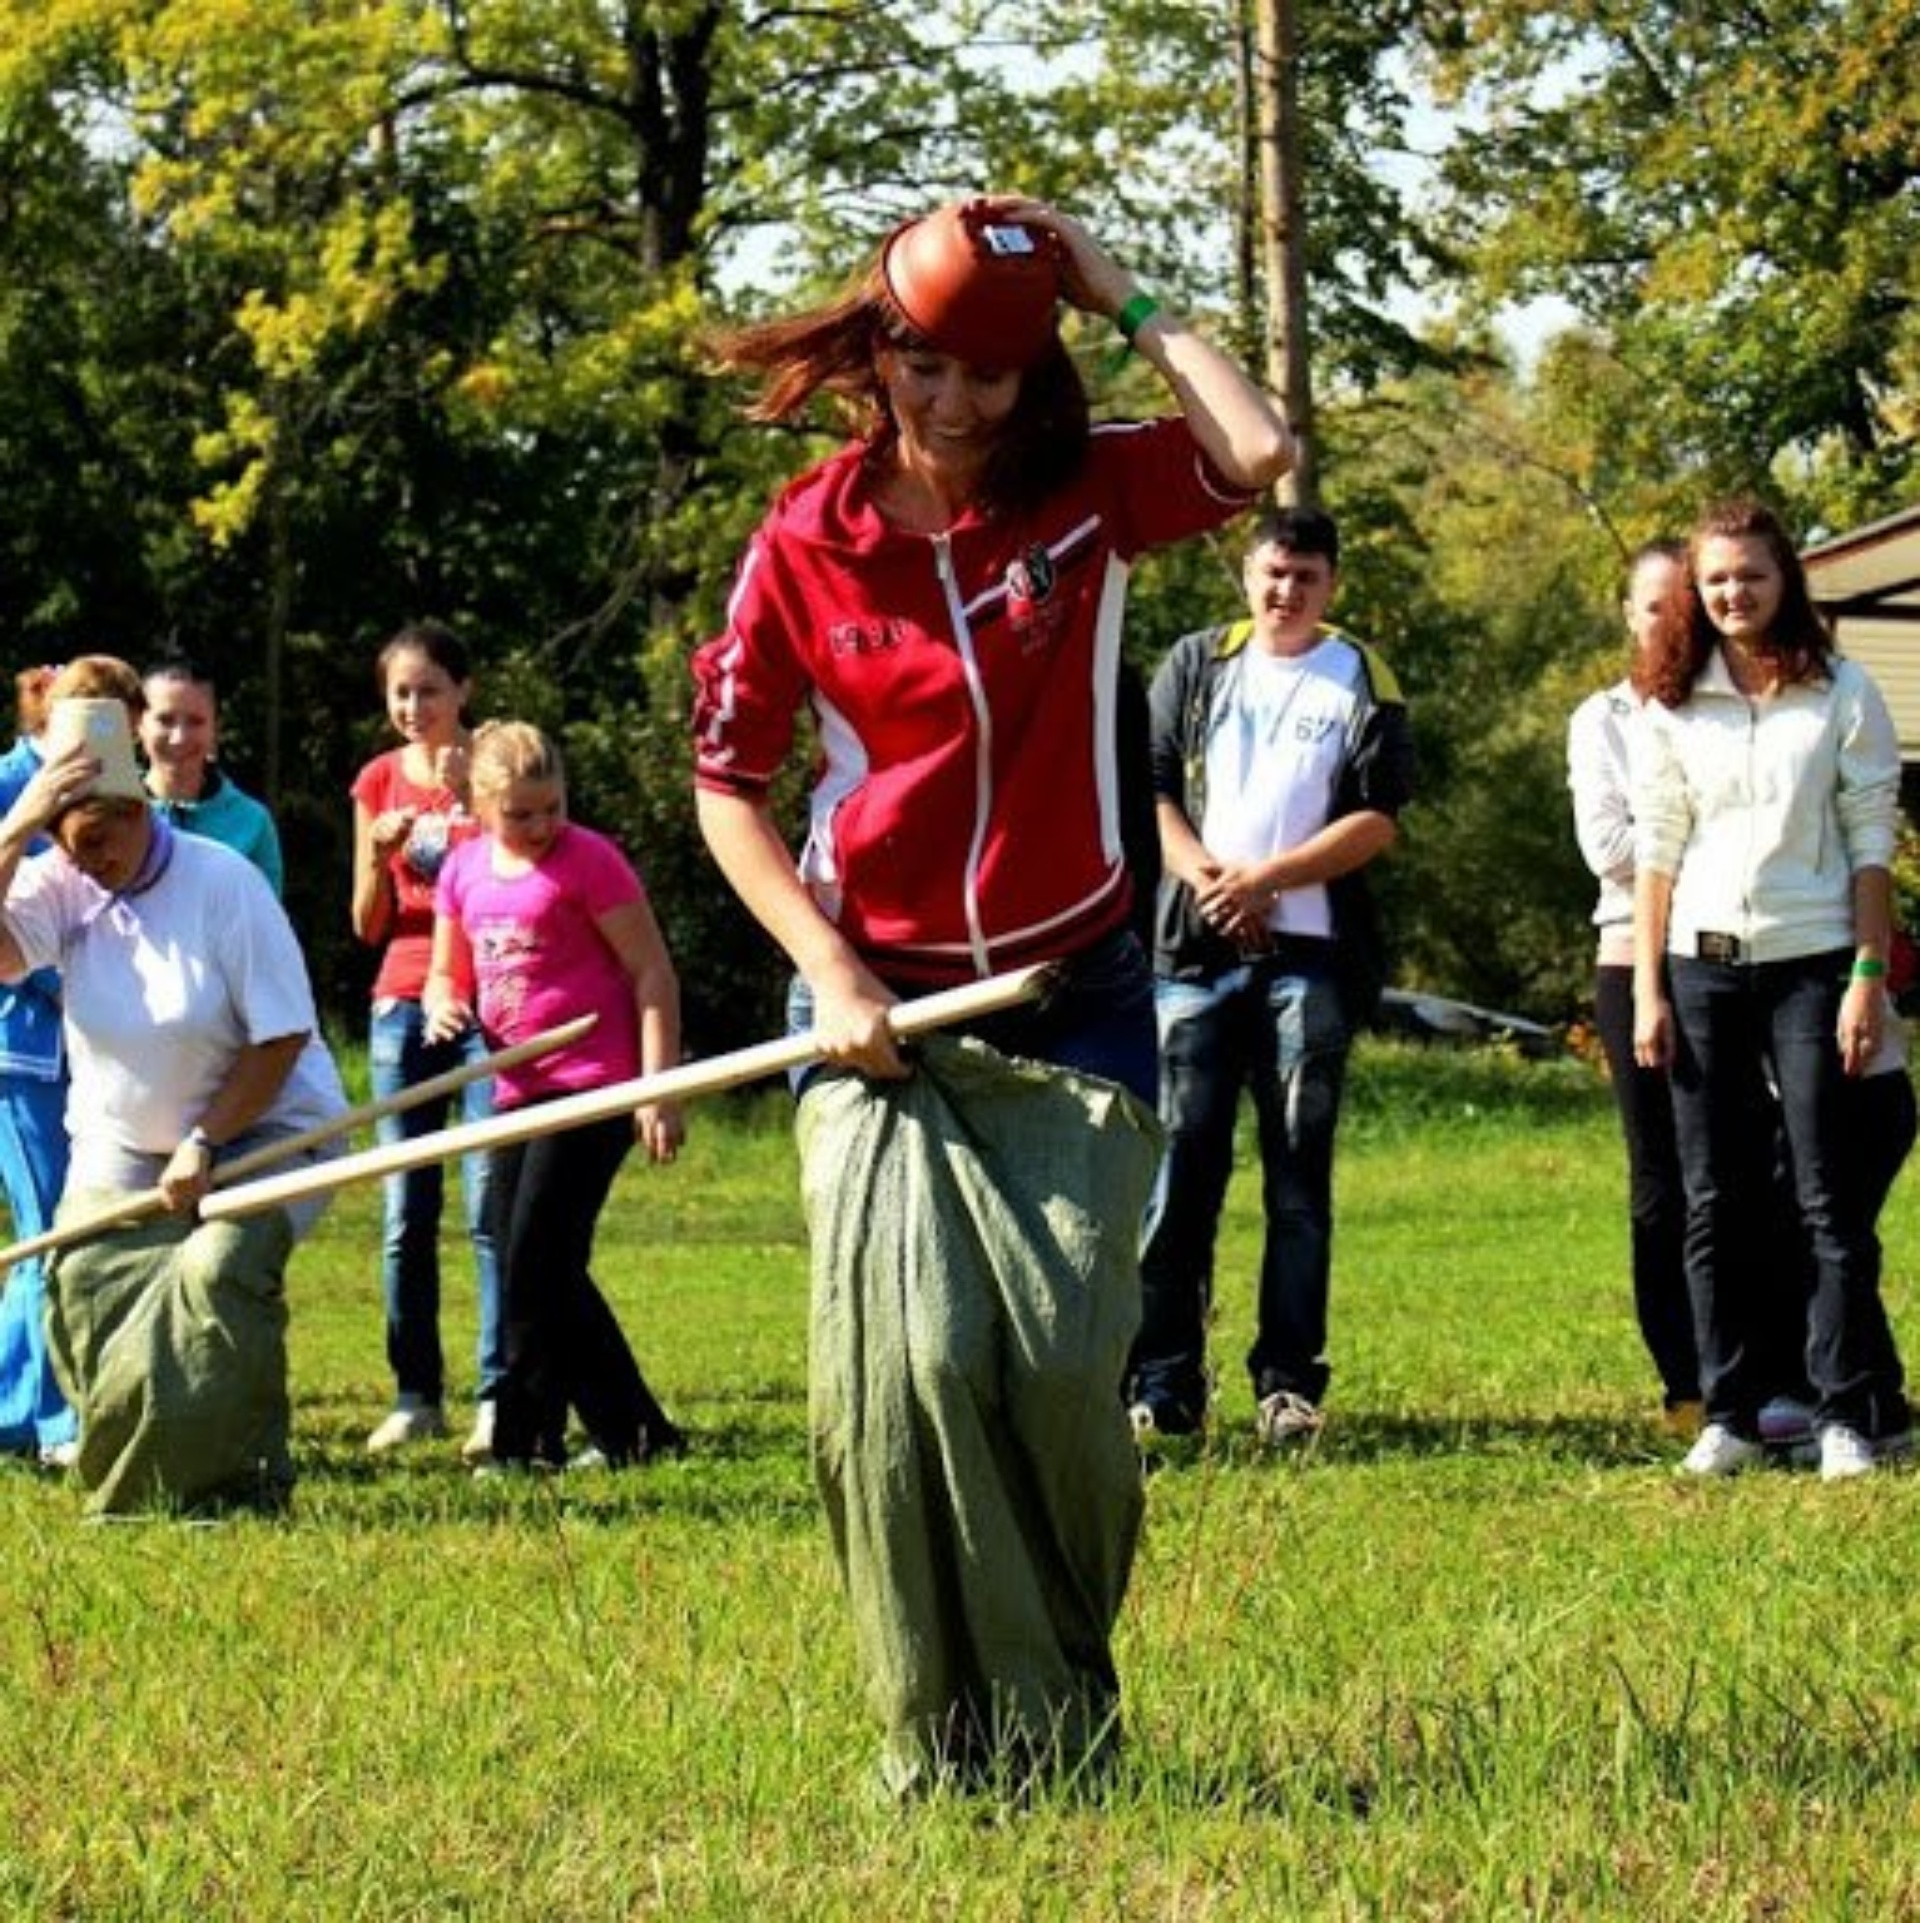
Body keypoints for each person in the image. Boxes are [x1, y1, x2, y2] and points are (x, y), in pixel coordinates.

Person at [692, 193, 1290, 1791]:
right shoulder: (805, 540)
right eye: (923, 364)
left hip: (1074, 989)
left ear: (1041, 381)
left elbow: (1260, 452)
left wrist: (1125, 287)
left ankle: (1056, 1710)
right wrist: (824, 967)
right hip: (875, 1011)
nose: (951, 403)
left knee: (1051, 1379)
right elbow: (726, 785)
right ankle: (943, 1738)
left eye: (990, 375)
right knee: (894, 1380)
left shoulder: (1089, 497)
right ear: (876, 348)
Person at [0, 674, 346, 1516]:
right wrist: (14, 827)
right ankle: (134, 1479)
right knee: (80, 1280)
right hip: (123, 1143)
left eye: (101, 844)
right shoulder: (62, 881)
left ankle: (237, 1484)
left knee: (217, 1268)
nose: (92, 867)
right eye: (68, 848)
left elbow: (281, 1035)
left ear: (138, 812)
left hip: (263, 1128)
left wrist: (204, 1140)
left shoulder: (223, 882)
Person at [1632, 498, 1911, 1481]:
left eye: (1750, 575)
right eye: (1715, 580)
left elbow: (1873, 843)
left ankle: (1845, 1414)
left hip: (1816, 963)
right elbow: (1656, 848)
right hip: (1701, 968)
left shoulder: (1839, 691)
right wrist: (1647, 992)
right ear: (1695, 594)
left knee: (1828, 1201)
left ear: (1784, 579)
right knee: (1714, 1197)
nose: (1733, 593)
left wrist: (1866, 976)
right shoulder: (1669, 701)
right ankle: (1734, 1413)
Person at [1126, 506, 1412, 1448]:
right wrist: (1212, 881)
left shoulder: (1361, 675)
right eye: (1272, 572)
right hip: (1193, 957)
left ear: (1332, 584)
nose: (1286, 591)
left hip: (1309, 961)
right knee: (1180, 1172)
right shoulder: (1196, 662)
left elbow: (1377, 818)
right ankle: (1164, 1381)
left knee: (1297, 1181)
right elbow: (1153, 788)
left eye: (1307, 576)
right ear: (1246, 574)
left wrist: (1269, 881)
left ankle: (1287, 1384)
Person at [423, 721, 685, 1473]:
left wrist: (658, 1088)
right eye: (521, 814)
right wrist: (445, 1002)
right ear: (480, 806)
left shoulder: (591, 861)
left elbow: (653, 974)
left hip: (594, 1082)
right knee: (529, 1262)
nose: (541, 827)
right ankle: (637, 1435)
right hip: (517, 1085)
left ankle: (523, 1442)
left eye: (552, 807)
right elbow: (448, 973)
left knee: (537, 1259)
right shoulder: (463, 869)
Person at [350, 621, 503, 1461]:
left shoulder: (500, 764)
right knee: (407, 1207)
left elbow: (529, 880)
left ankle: (497, 1393)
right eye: (401, 692)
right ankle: (415, 1394)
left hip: (488, 1001)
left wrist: (472, 807)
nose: (414, 707)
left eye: (430, 690)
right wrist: (380, 857)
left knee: (489, 1206)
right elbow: (365, 923)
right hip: (403, 1000)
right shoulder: (376, 780)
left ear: (463, 692)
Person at [1566, 539, 1703, 1437]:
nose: (1670, 620)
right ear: (1627, 615)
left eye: (1681, 602)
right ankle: (1684, 1379)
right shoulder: (1603, 719)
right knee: (1662, 1178)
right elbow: (1610, 851)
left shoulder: (1737, 708)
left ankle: (1763, 1365)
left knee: (1743, 1170)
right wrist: (1721, 859)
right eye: (1652, 604)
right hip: (1631, 962)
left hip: (1736, 962)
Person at [0, 663, 82, 1469]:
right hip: (19, 1044)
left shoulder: (103, 787)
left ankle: (18, 1411)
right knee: (47, 1230)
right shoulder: (11, 784)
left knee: (59, 1228)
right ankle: (51, 1419)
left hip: (90, 1051)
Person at [139, 654, 285, 893]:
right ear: (138, 724)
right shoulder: (110, 812)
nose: (179, 738)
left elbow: (264, 922)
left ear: (215, 729)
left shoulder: (252, 822)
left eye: (195, 722)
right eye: (165, 720)